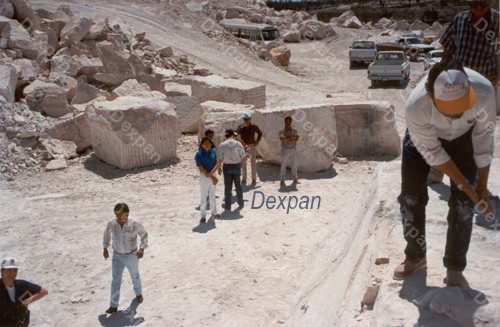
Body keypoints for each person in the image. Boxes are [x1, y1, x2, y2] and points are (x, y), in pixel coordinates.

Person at [393, 61, 496, 288]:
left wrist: (481, 190)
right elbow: (436, 156)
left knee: (463, 206)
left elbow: (483, 142)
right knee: (411, 197)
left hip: (465, 139)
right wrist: (468, 188)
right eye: (449, 111)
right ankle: (415, 256)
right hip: (424, 138)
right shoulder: (416, 107)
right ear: (431, 95)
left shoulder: (485, 92)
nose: (456, 115)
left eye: (462, 108)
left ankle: (455, 267)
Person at [432, 0, 499, 184]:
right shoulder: (460, 19)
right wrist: (441, 73)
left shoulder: (497, 22)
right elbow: (448, 48)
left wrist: (497, 76)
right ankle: (436, 172)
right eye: (474, 5)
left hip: (483, 88)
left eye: (482, 5)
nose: (478, 9)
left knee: (478, 132)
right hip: (456, 85)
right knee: (446, 127)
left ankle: (475, 178)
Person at [103, 203, 148, 314]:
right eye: (116, 215)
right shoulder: (112, 224)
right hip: (117, 256)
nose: (117, 218)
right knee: (115, 281)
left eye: (120, 215)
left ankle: (138, 294)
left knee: (135, 276)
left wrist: (142, 248)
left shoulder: (134, 223)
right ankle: (113, 306)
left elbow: (144, 235)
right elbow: (106, 235)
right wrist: (105, 247)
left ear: (126, 214)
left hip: (132, 255)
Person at [0, 258, 48, 327]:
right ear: (1, 271)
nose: (12, 273)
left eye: (15, 270)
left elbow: (44, 291)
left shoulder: (22, 285)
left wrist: (27, 301)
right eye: (9, 270)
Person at [215, 129, 247, 211]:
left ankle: (228, 205)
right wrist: (239, 163)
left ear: (226, 135)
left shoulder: (222, 145)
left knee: (228, 187)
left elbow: (220, 159)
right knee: (238, 186)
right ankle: (241, 203)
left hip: (227, 167)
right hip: (236, 166)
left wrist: (219, 168)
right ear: (233, 135)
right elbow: (243, 156)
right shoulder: (238, 143)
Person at [195, 137, 220, 223]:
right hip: (204, 177)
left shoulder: (213, 152)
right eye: (205, 143)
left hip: (212, 174)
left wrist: (214, 173)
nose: (207, 145)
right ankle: (203, 216)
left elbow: (216, 163)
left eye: (208, 143)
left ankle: (214, 213)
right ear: (201, 145)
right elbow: (201, 168)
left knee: (212, 195)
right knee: (204, 196)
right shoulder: (198, 154)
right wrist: (212, 177)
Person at [236, 113, 262, 185]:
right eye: (245, 119)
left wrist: (257, 141)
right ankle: (244, 179)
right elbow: (235, 134)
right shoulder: (240, 127)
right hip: (243, 147)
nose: (246, 121)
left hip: (252, 145)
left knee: (253, 163)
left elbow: (260, 133)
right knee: (243, 163)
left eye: (247, 119)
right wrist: (238, 130)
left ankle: (254, 180)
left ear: (250, 119)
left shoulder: (254, 127)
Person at [279, 116, 300, 187]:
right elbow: (282, 139)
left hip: (293, 149)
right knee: (283, 165)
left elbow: (297, 138)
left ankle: (295, 179)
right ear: (284, 122)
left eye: (289, 122)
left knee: (294, 165)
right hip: (285, 150)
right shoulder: (282, 131)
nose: (288, 123)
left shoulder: (294, 130)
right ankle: (282, 180)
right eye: (286, 122)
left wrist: (288, 138)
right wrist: (291, 138)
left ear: (291, 122)